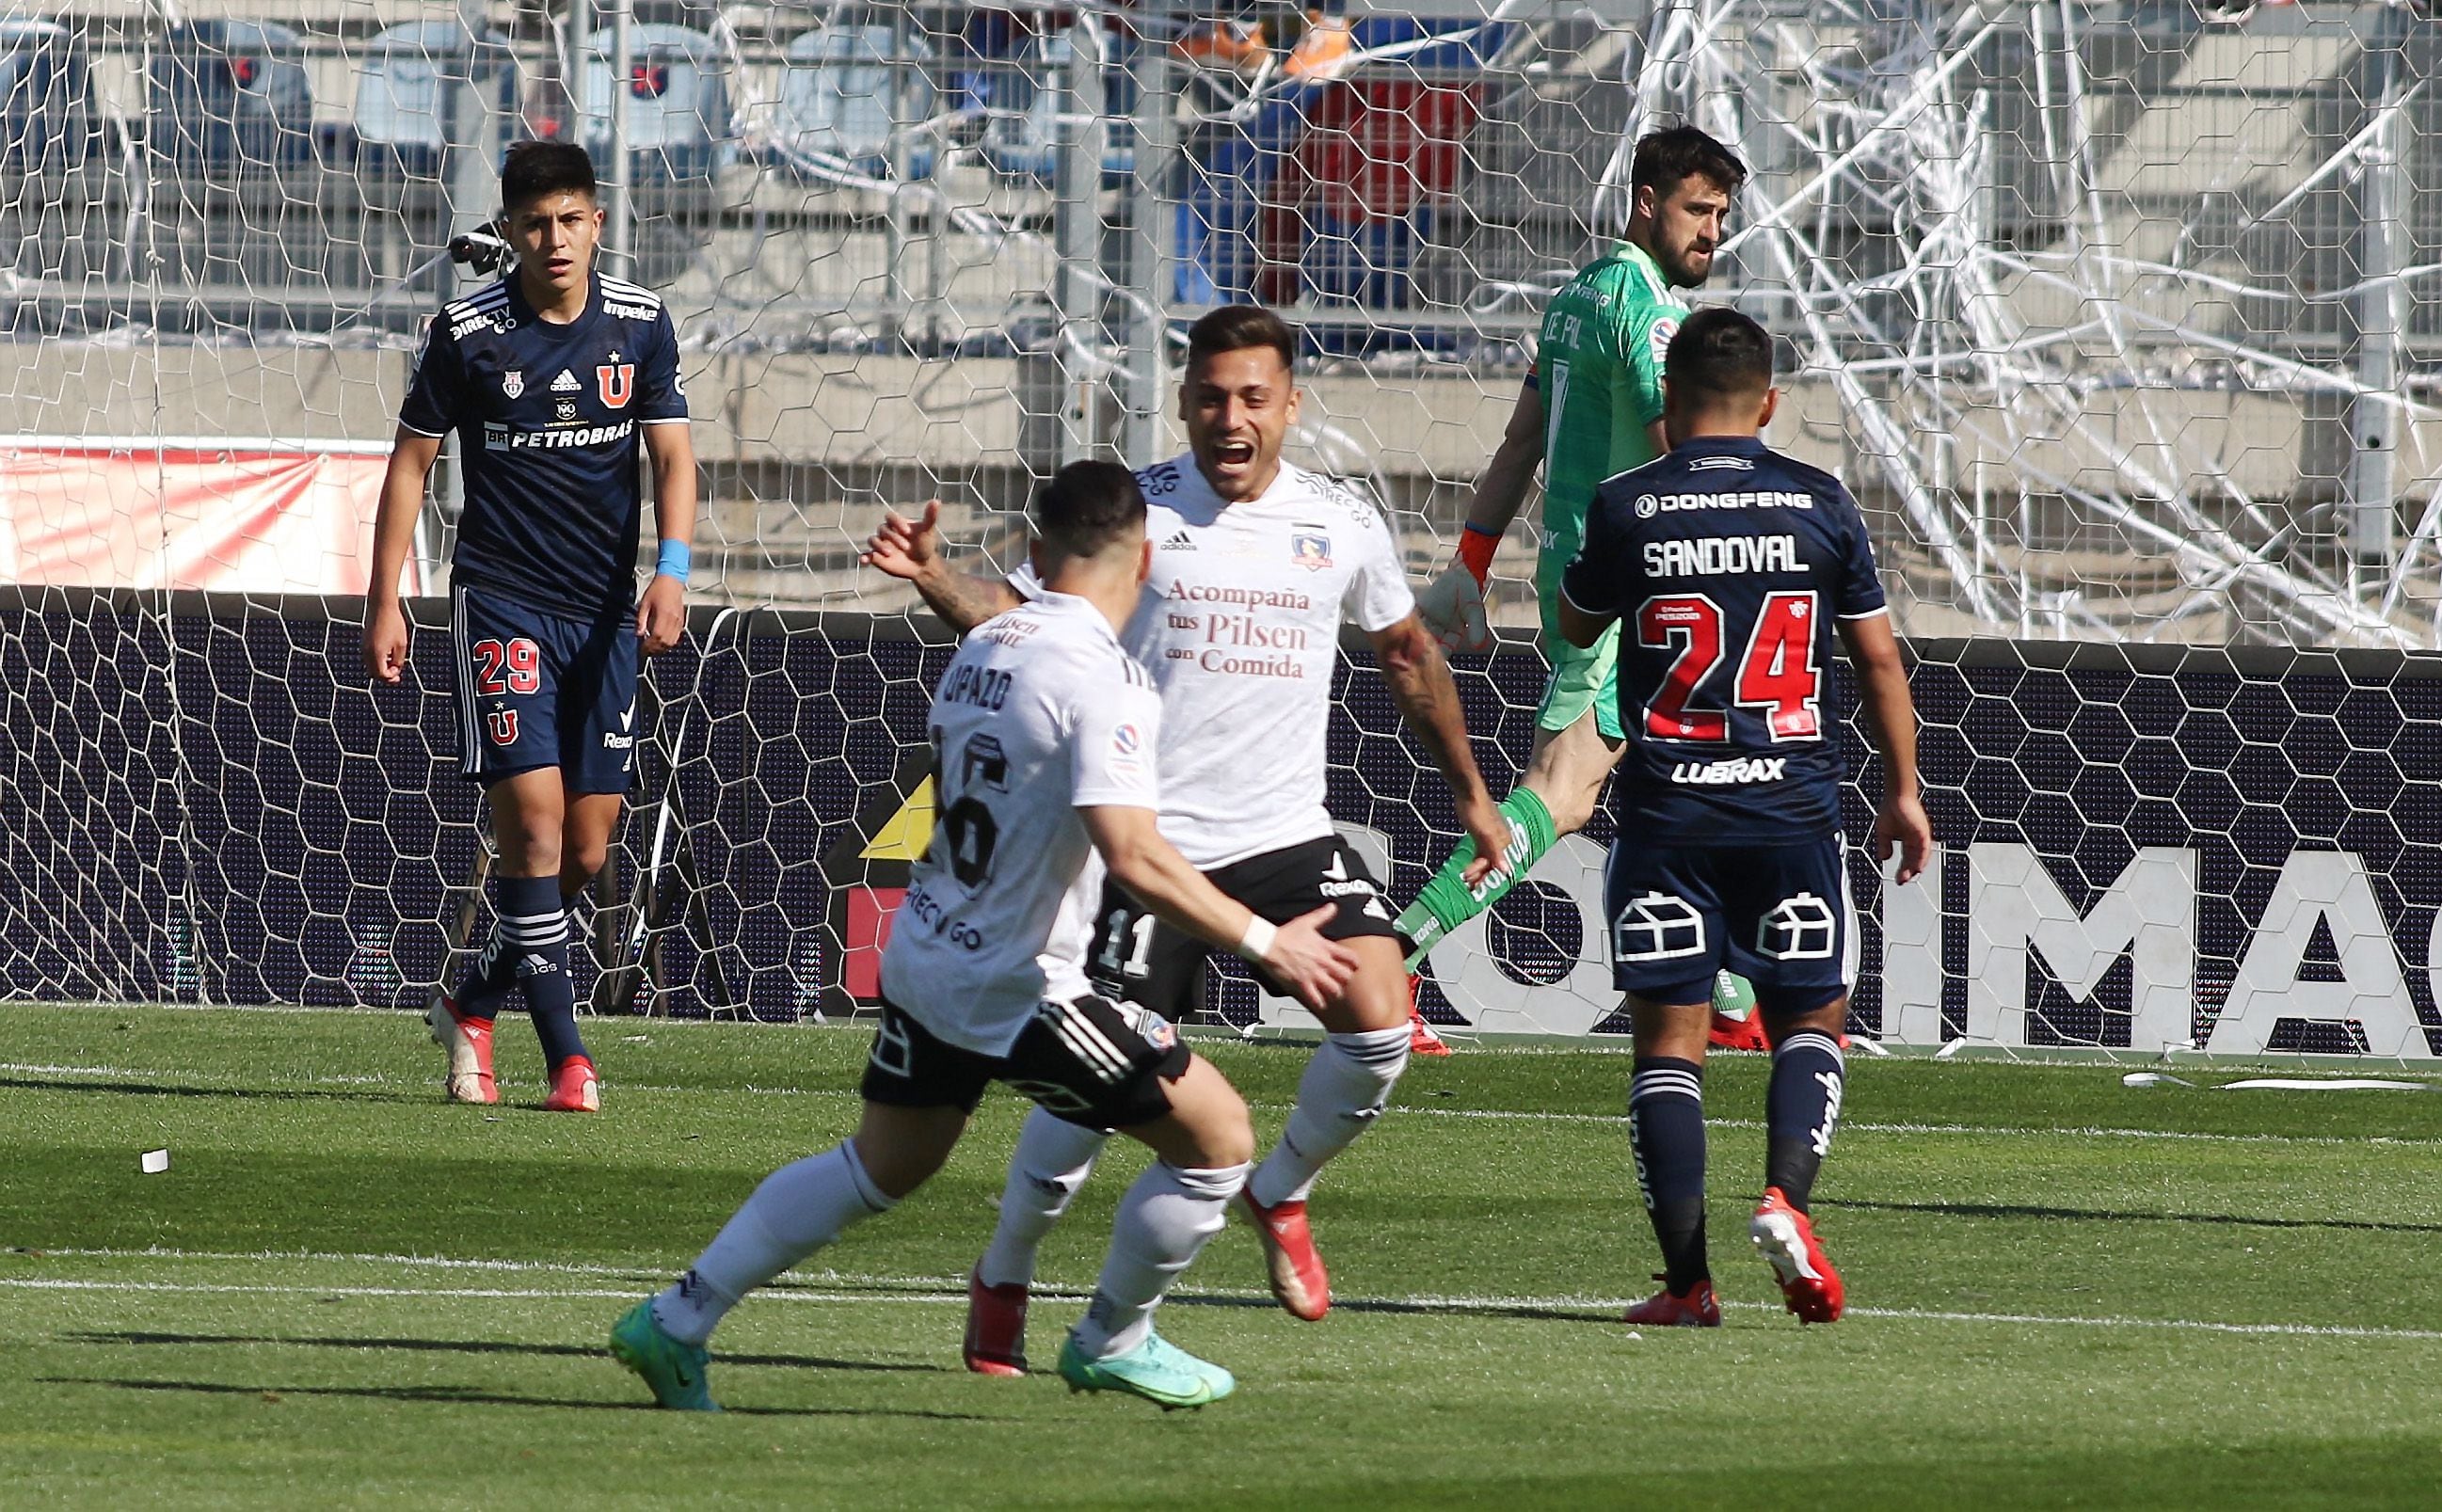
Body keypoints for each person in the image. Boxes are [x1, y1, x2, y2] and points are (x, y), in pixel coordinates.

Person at [610, 462, 1359, 1410]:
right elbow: (1133, 853)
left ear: (1037, 553)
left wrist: (934, 574)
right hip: (1018, 982)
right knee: (1218, 1136)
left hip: (927, 950)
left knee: (878, 1167)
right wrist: (1267, 939)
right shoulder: (1109, 680)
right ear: (1149, 559)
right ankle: (1114, 1336)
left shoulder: (991, 640)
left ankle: (675, 1318)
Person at [863, 305, 1505, 1368]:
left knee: (1380, 1021)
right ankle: (1006, 1269)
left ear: (1290, 405)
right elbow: (1018, 612)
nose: (1231, 418)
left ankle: (1279, 1189)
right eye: (1212, 397)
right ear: (1185, 402)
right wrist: (935, 577)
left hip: (1286, 834)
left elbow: (1406, 654)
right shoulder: (1139, 513)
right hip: (1149, 850)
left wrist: (1475, 797)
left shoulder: (1340, 522)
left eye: (1254, 397)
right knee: (1089, 1106)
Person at [1553, 307, 1931, 1327]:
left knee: (1669, 1044)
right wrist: (1903, 789)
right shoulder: (1820, 499)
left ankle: (1687, 1284)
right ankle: (1785, 1199)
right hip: (1792, 816)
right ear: (1769, 404)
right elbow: (1879, 658)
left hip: (1669, 817)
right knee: (1810, 1018)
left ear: (1667, 408)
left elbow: (1576, 618)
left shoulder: (1629, 503)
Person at [1402, 125, 1772, 1048]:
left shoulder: (1573, 302)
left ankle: (1729, 1004)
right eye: (1697, 210)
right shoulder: (1646, 312)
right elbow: (1673, 447)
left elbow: (1521, 442)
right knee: (1560, 796)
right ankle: (1388, 960)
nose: (1711, 232)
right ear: (1646, 202)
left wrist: (1469, 565)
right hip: (1631, 592)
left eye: (1722, 215)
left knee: (1687, 787)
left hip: (1597, 580)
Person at [363, 141, 695, 1113]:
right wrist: (386, 599)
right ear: (508, 231)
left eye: (570, 219)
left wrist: (671, 571)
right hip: (500, 604)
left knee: (588, 853)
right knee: (537, 833)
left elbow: (674, 460)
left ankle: (471, 1000)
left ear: (599, 222)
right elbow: (410, 468)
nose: (554, 239)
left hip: (604, 616)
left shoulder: (640, 327)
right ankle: (569, 1061)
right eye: (535, 223)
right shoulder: (467, 333)